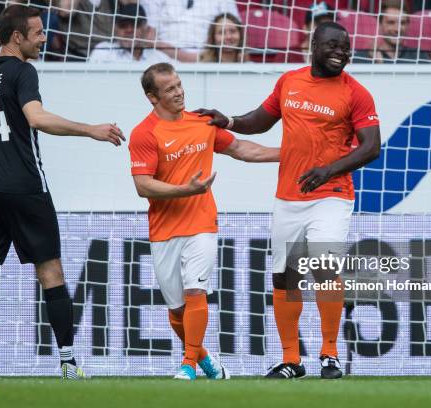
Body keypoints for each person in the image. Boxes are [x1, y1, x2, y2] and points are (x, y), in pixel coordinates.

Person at [0, 4, 124, 380]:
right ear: (17, 37)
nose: (43, 38)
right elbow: (36, 118)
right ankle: (69, 364)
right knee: (50, 272)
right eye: (38, 33)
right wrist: (90, 129)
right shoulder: (23, 71)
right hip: (25, 187)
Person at [196, 22, 381, 379]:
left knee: (324, 265)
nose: (340, 52)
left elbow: (371, 146)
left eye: (345, 47)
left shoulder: (356, 93)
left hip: (332, 194)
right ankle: (291, 360)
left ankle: (330, 355)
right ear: (313, 45)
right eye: (332, 46)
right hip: (289, 196)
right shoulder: (289, 81)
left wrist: (328, 170)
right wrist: (229, 120)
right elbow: (261, 121)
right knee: (285, 278)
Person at [129, 62, 279, 380]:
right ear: (152, 97)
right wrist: (186, 189)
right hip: (163, 230)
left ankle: (188, 365)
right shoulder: (144, 133)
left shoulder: (202, 123)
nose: (179, 92)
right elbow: (143, 185)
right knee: (176, 309)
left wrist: (287, 153)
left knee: (195, 291)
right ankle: (206, 359)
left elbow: (241, 149)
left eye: (180, 85)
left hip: (201, 224)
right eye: (170, 89)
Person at [140, 0, 240, 62]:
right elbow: (149, 39)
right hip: (162, 60)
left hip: (208, 63)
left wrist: (203, 59)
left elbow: (235, 31)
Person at [353, 0, 431, 63]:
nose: (397, 29)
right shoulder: (362, 58)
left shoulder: (419, 57)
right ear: (380, 25)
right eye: (391, 22)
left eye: (403, 23)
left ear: (408, 25)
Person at [89, 3, 170, 63]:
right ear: (115, 29)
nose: (129, 30)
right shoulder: (103, 51)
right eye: (123, 25)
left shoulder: (158, 57)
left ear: (145, 28)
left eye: (135, 25)